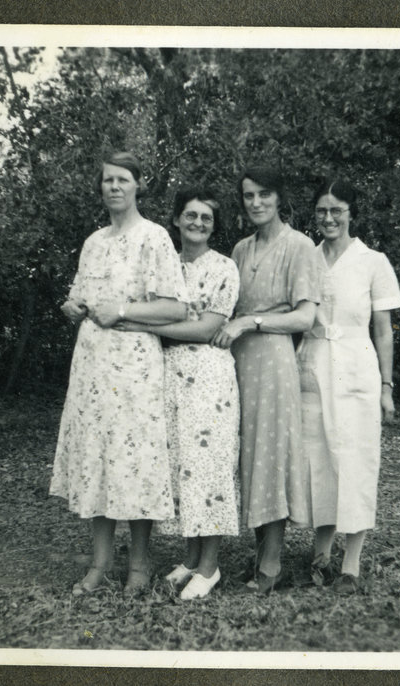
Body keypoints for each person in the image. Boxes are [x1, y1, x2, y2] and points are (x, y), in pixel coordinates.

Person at [50, 152, 188, 596]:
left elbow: (176, 307)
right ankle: (100, 563)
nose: (114, 187)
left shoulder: (156, 238)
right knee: (99, 459)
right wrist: (72, 307)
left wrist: (124, 310)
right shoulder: (94, 242)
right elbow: (80, 296)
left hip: (134, 367)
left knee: (136, 461)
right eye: (108, 180)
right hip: (92, 367)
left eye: (123, 179)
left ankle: (141, 565)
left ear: (138, 185)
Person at [116, 188, 240, 600]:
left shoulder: (225, 268)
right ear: (176, 219)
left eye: (206, 218)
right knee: (182, 467)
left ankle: (210, 566)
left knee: (209, 466)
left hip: (208, 377)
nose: (198, 223)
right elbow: (149, 307)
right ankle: (189, 559)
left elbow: (206, 329)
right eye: (191, 215)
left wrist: (149, 327)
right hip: (166, 376)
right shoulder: (163, 265)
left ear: (214, 226)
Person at [211, 167, 321, 593]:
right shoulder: (241, 249)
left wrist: (250, 322)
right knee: (249, 453)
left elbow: (305, 316)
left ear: (280, 198)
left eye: (264, 195)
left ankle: (272, 565)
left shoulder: (300, 246)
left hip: (273, 360)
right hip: (237, 362)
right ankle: (260, 555)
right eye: (248, 196)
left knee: (271, 453)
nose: (256, 203)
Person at [293, 178, 400, 594]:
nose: (328, 217)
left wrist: (386, 387)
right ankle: (319, 555)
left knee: (355, 459)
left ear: (351, 213)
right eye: (322, 210)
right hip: (313, 364)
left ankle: (351, 563)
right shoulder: (307, 257)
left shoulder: (373, 261)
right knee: (317, 458)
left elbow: (384, 331)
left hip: (357, 366)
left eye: (337, 210)